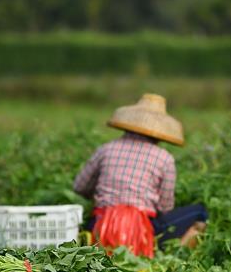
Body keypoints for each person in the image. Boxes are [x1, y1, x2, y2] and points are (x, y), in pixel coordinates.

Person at [74, 93, 208, 257]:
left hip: (101, 224)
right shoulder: (164, 158)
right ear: (159, 133)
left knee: (91, 222)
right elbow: (165, 207)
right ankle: (171, 258)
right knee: (200, 212)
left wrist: (97, 197)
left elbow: (80, 186)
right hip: (142, 228)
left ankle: (97, 245)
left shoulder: (106, 148)